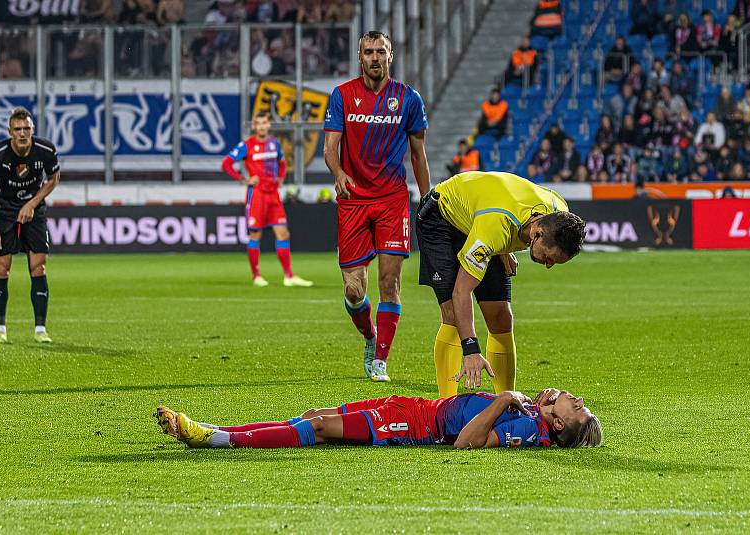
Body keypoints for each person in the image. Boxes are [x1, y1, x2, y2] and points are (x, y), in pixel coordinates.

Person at [415, 171, 585, 396]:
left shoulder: (559, 213)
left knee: (501, 318)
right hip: (441, 217)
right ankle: (445, 407)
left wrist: (504, 248)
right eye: (549, 257)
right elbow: (462, 292)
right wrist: (471, 349)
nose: (548, 265)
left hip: (483, 217)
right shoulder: (495, 229)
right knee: (453, 316)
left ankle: (507, 401)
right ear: (537, 233)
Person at [323, 31, 431, 382]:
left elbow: (418, 154)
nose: (374, 57)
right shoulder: (342, 96)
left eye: (380, 51)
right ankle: (370, 335)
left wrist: (428, 199)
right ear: (359, 57)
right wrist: (338, 172)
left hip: (392, 200)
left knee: (390, 282)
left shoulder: (408, 99)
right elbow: (329, 147)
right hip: (353, 199)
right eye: (368, 52)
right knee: (354, 290)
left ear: (391, 55)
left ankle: (381, 359)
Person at [155, 387, 603, 449]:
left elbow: (466, 442)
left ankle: (212, 440)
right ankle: (214, 429)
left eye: (577, 407)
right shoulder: (533, 411)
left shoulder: (527, 429)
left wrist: (504, 397)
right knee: (313, 415)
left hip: (413, 427)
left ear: (560, 425)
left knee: (316, 429)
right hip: (412, 406)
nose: (575, 398)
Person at [0, 108, 60, 344]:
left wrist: (32, 203)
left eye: (27, 128)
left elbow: (54, 178)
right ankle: (0, 329)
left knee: (39, 268)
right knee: (1, 269)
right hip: (5, 210)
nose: (23, 133)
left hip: (34, 210)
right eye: (18, 129)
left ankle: (40, 330)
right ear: (10, 132)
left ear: (33, 130)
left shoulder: (45, 150)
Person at [222, 111, 313, 288]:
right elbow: (226, 163)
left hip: (273, 195)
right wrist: (244, 180)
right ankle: (256, 276)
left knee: (283, 233)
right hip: (256, 195)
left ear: (268, 125)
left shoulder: (273, 143)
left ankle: (289, 276)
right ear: (254, 126)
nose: (262, 126)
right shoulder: (247, 145)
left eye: (265, 122)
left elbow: (282, 163)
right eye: (259, 123)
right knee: (256, 234)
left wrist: (280, 179)